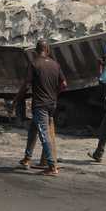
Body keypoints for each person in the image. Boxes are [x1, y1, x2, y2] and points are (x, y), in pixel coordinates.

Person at [18, 40, 67, 175]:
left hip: (40, 105)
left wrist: (18, 98)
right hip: (52, 104)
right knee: (33, 130)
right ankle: (27, 159)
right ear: (48, 50)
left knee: (43, 134)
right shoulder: (55, 64)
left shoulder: (34, 64)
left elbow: (27, 84)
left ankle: (52, 166)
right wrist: (55, 94)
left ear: (35, 51)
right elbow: (64, 84)